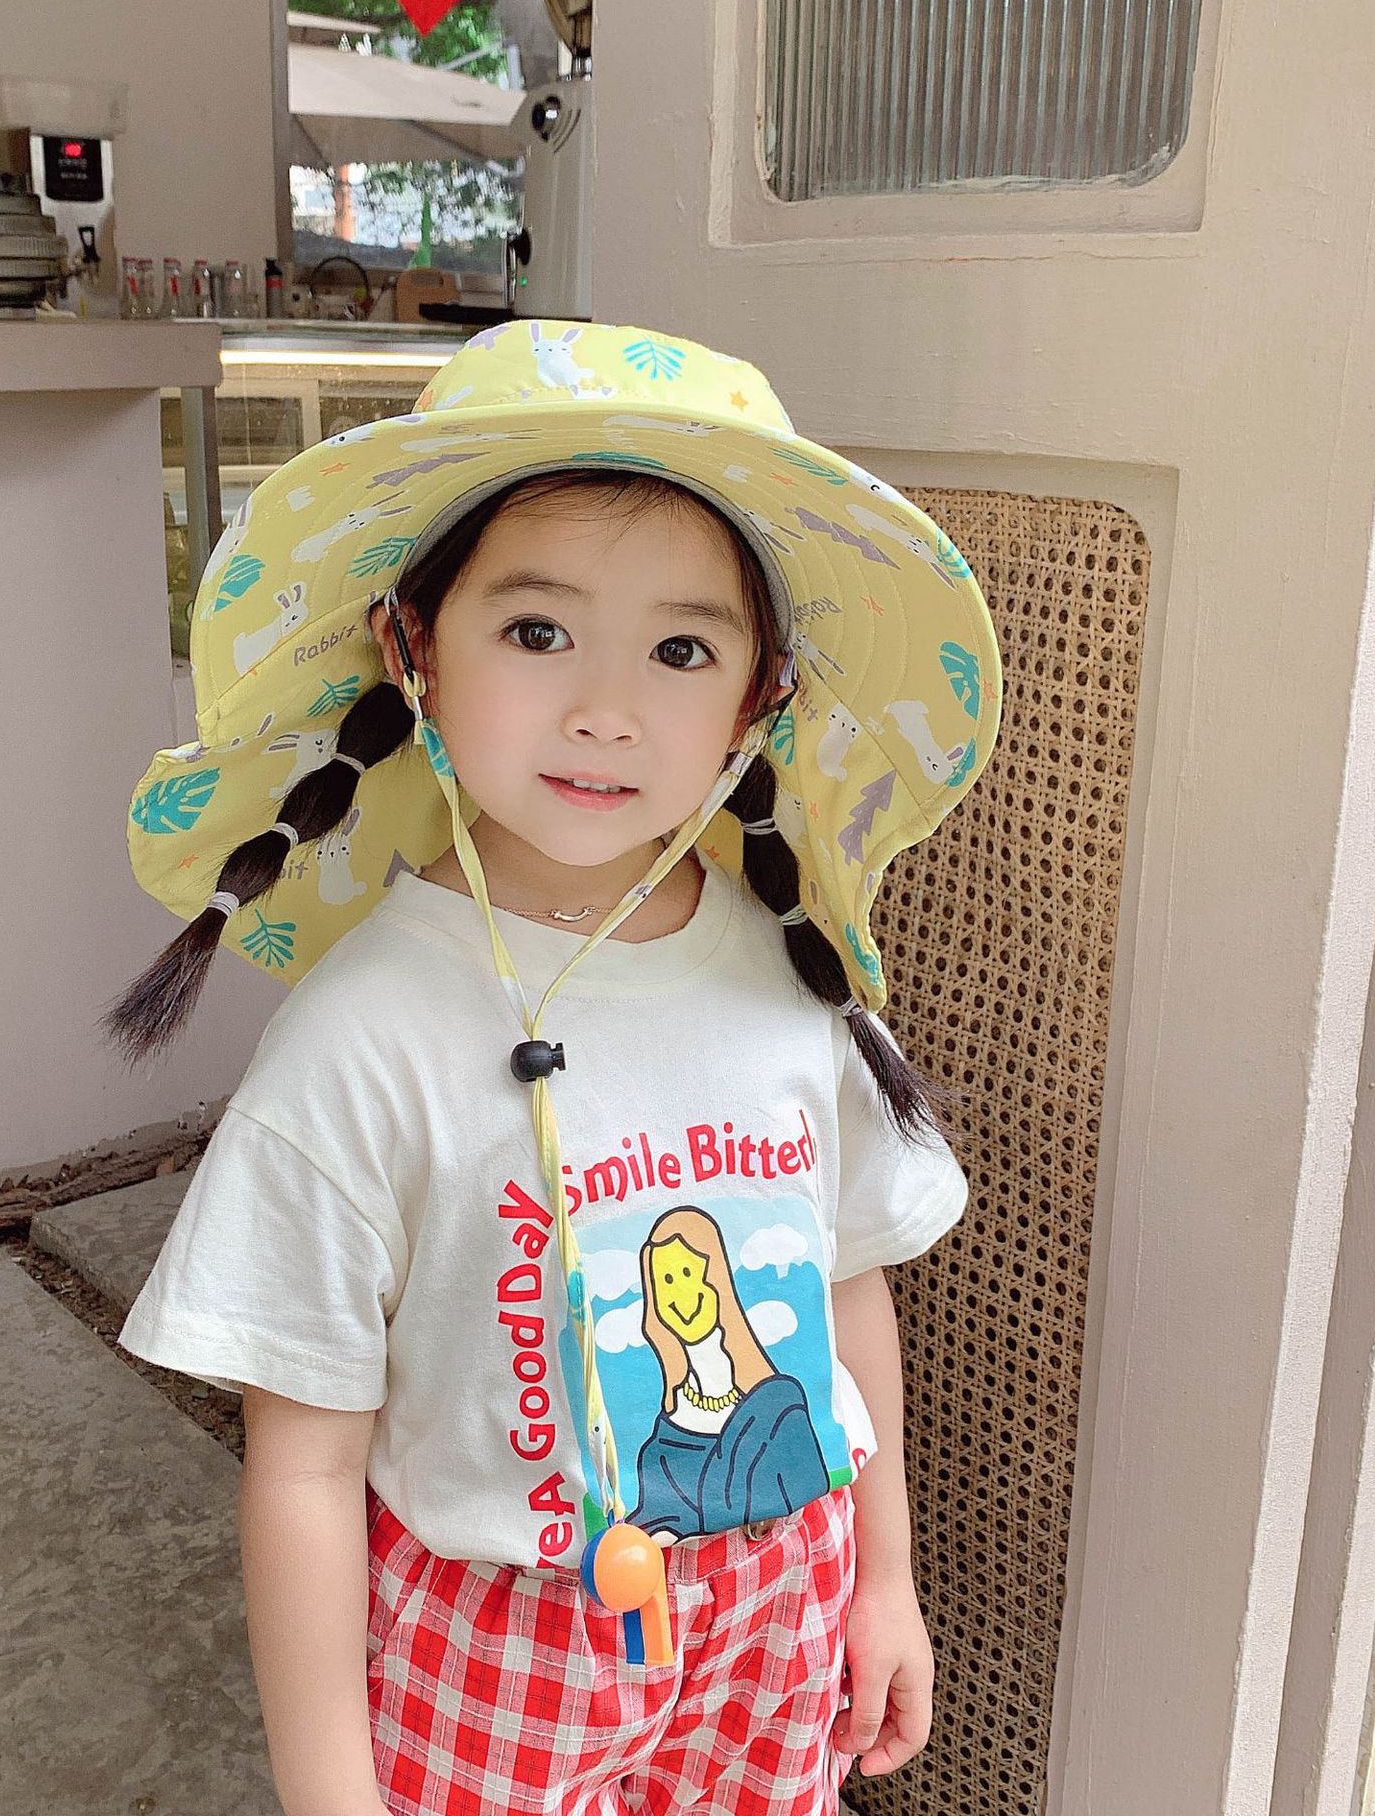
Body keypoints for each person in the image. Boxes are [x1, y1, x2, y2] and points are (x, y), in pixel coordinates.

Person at [106, 318, 1002, 1816]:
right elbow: (305, 1468)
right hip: (498, 1647)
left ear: (760, 692)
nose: (606, 709)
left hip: (782, 1614)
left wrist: (884, 1581)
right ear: (413, 648)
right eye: (536, 632)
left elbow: (849, 1288)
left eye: (681, 649)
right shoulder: (361, 1041)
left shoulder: (800, 987)